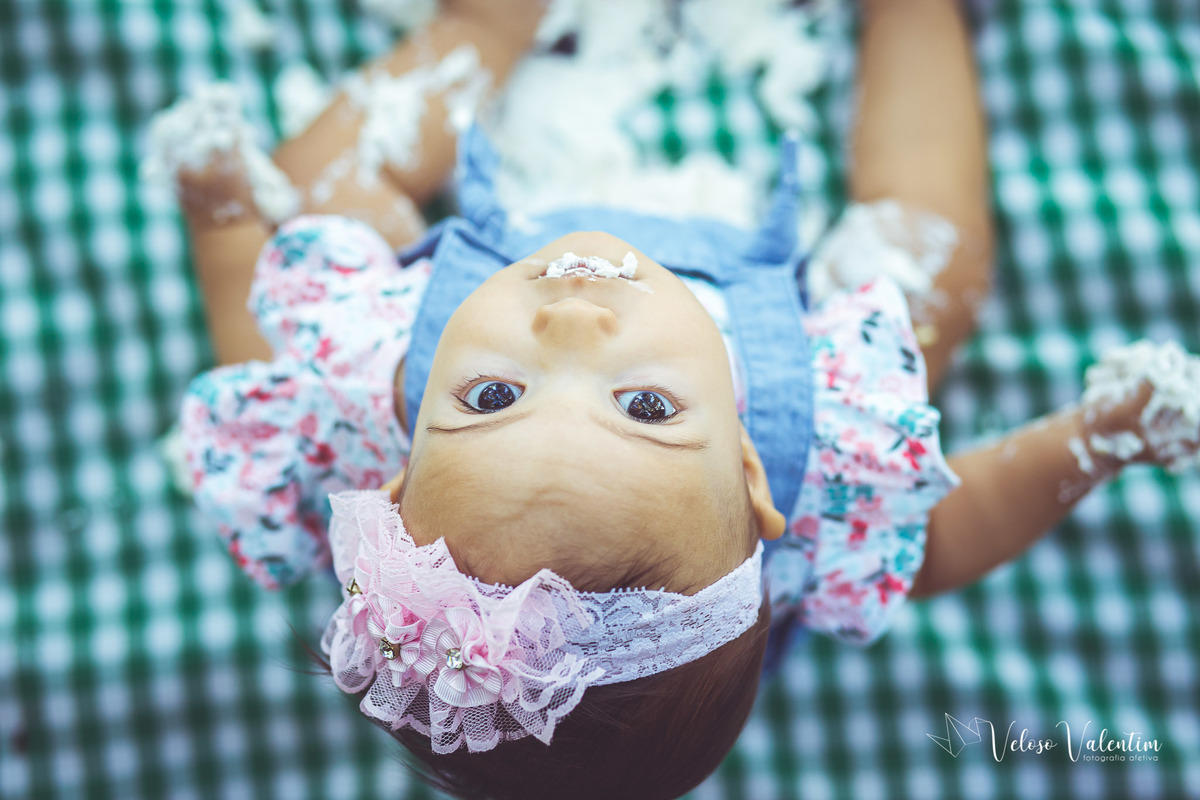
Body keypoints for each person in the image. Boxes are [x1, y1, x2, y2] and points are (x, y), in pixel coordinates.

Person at [156, 1, 1200, 798]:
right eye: (648, 408)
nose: (568, 327)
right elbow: (941, 540)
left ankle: (486, 24)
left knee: (326, 193)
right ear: (752, 476)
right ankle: (914, 17)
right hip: (769, 313)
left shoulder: (380, 382)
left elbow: (261, 338)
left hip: (485, 252)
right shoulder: (820, 454)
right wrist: (1087, 444)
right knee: (931, 274)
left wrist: (226, 221)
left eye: (491, 392)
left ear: (396, 464)